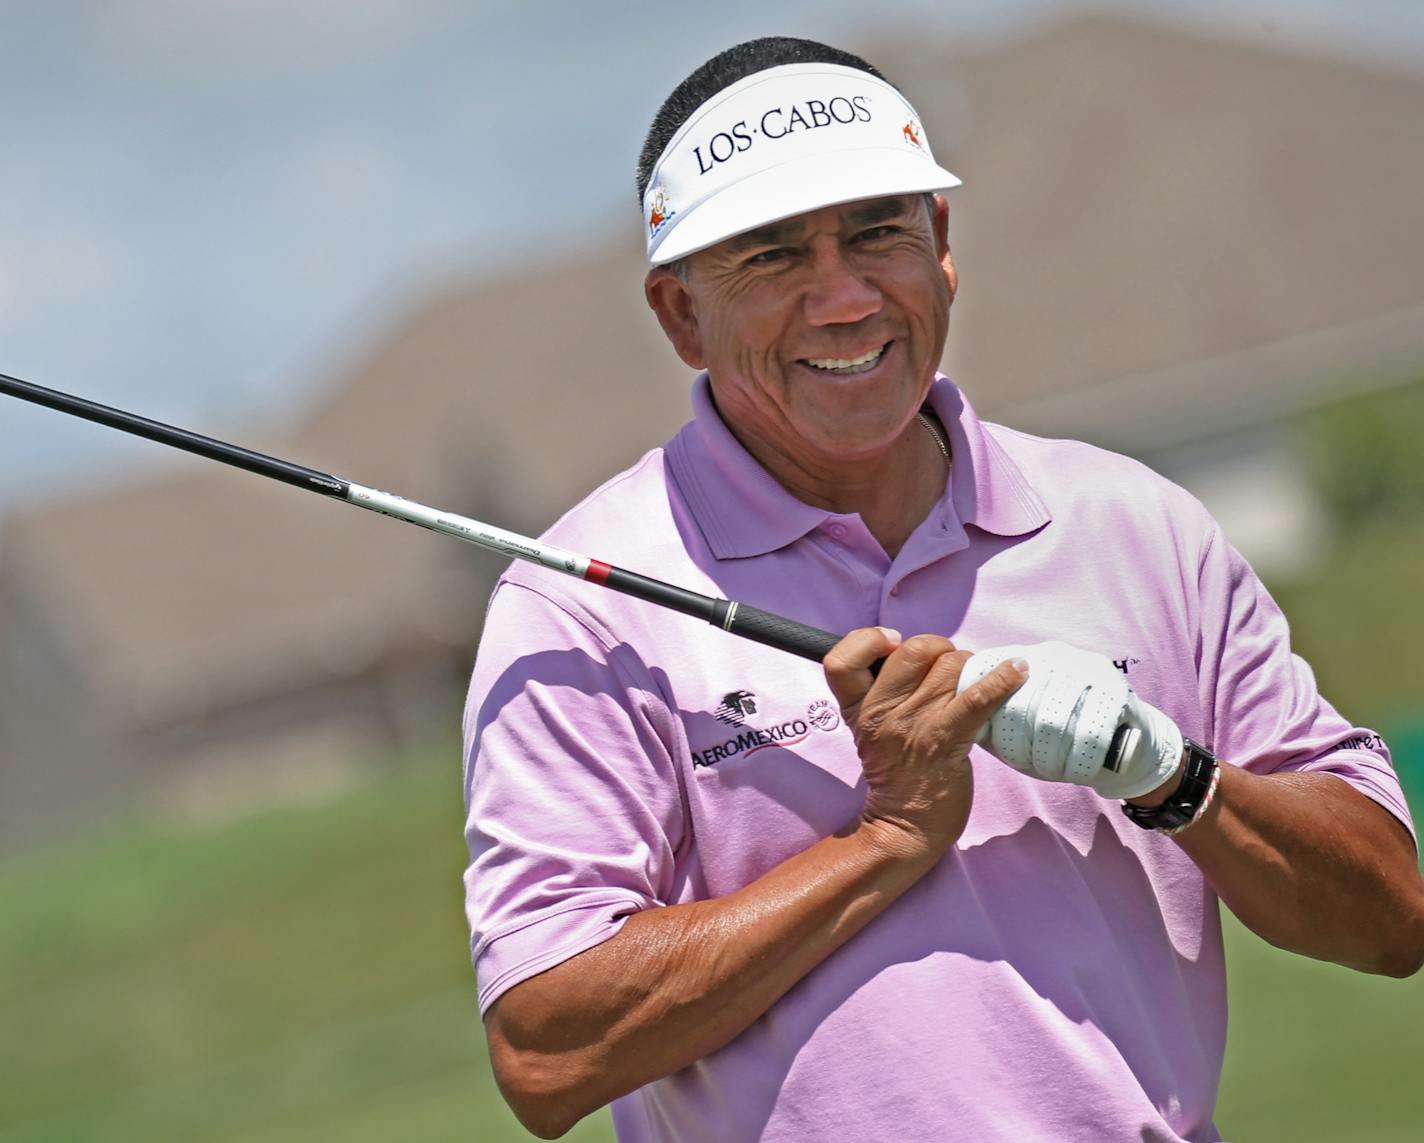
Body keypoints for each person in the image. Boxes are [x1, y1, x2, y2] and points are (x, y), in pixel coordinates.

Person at [461, 37, 1424, 1142]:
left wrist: (1172, 777)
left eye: (877, 231)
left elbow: (1388, 918)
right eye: (771, 257)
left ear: (943, 248)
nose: (842, 298)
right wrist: (883, 840)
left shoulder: (1129, 524)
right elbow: (545, 1053)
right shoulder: (583, 605)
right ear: (680, 313)